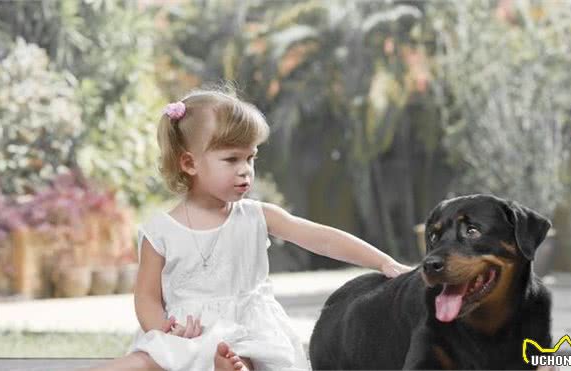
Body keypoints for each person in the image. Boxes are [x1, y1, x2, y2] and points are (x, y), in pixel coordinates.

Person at [88, 88, 412, 371]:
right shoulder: (160, 231)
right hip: (187, 333)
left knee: (250, 358)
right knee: (146, 360)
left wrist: (383, 262)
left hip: (248, 330)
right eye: (231, 160)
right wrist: (162, 329)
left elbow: (322, 238)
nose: (245, 171)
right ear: (189, 163)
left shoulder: (257, 216)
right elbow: (146, 297)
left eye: (251, 158)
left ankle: (229, 368)